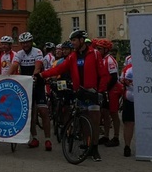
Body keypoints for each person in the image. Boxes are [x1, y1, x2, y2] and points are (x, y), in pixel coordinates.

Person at [39, 30, 108, 161]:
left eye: (74, 40)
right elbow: (59, 68)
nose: (72, 43)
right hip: (80, 92)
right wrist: (42, 74)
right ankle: (87, 146)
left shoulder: (94, 54)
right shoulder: (73, 56)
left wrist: (101, 91)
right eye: (71, 41)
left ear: (81, 40)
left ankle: (95, 148)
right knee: (84, 122)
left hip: (93, 91)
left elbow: (104, 74)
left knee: (94, 121)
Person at [9, 32, 52, 151]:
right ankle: (35, 137)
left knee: (43, 111)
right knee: (30, 113)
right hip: (26, 85)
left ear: (31, 42)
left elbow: (38, 66)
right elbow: (15, 65)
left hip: (37, 84)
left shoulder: (37, 52)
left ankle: (48, 139)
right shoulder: (19, 53)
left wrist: (34, 76)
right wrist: (6, 76)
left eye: (27, 42)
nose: (25, 45)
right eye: (23, 43)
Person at [94, 39, 123, 148]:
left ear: (106, 49)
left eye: (100, 48)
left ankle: (116, 137)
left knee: (113, 113)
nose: (97, 50)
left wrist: (106, 90)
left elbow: (114, 77)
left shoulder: (110, 60)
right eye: (97, 48)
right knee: (105, 112)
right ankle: (106, 136)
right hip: (105, 90)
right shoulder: (101, 59)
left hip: (113, 90)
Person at [121, 58, 135, 157]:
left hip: (134, 98)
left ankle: (127, 146)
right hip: (130, 98)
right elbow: (121, 81)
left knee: (129, 123)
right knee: (129, 123)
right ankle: (127, 146)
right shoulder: (128, 66)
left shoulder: (128, 67)